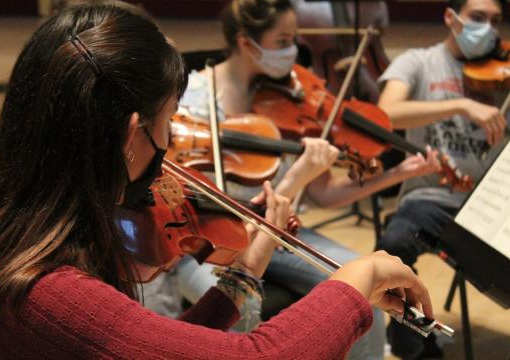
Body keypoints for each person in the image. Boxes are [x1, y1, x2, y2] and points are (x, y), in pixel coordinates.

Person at [0, 2, 436, 359]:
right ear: (132, 135)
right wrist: (360, 276)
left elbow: (151, 346)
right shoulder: (45, 293)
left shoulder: (15, 244)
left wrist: (244, 273)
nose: (171, 142)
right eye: (170, 120)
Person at [143, 1, 439, 359]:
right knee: (239, 318)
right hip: (208, 246)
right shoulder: (188, 100)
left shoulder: (286, 97)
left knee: (367, 290)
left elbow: (325, 192)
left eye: (294, 38)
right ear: (246, 42)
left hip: (284, 237)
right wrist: (294, 179)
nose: (292, 51)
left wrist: (395, 174)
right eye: (283, 39)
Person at [376, 0, 508, 358]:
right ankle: (413, 347)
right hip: (429, 197)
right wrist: (461, 104)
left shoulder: (502, 72)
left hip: (490, 206)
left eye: (496, 21)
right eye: (477, 18)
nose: (489, 29)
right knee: (395, 241)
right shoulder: (418, 61)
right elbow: (386, 113)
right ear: (451, 18)